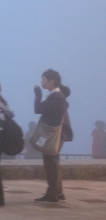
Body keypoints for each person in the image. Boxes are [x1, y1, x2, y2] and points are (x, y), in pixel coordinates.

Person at [31, 69, 71, 203]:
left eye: (44, 80)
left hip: (53, 135)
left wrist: (38, 94)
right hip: (57, 135)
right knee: (54, 164)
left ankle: (52, 195)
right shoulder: (57, 96)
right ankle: (58, 193)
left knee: (51, 165)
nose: (42, 82)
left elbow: (38, 109)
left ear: (52, 81)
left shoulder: (56, 97)